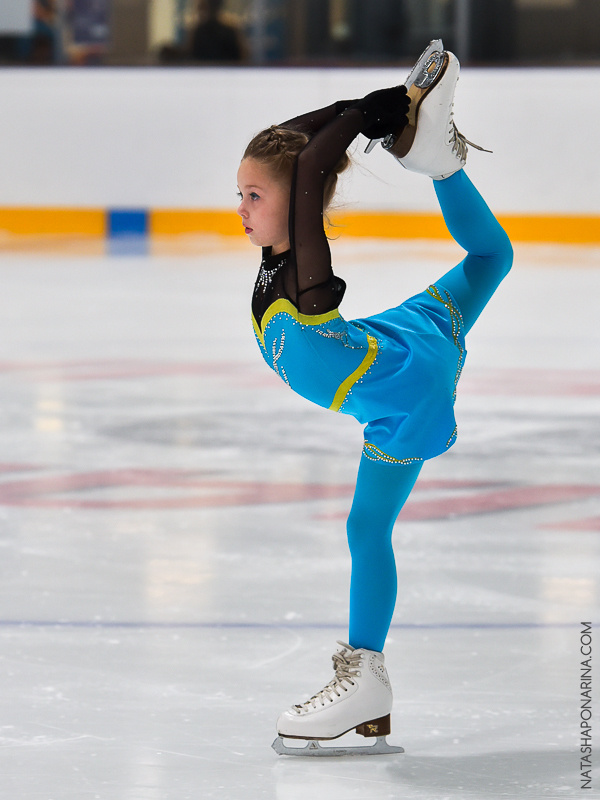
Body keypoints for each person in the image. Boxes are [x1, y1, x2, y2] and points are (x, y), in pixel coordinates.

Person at [237, 40, 513, 756]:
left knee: (367, 531)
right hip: (402, 342)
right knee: (491, 257)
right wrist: (362, 108)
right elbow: (295, 150)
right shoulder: (278, 258)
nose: (241, 207)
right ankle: (442, 165)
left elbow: (307, 171)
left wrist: (365, 117)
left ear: (293, 201)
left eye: (254, 195)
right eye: (239, 192)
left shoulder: (304, 271)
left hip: (404, 391)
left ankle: (365, 678)